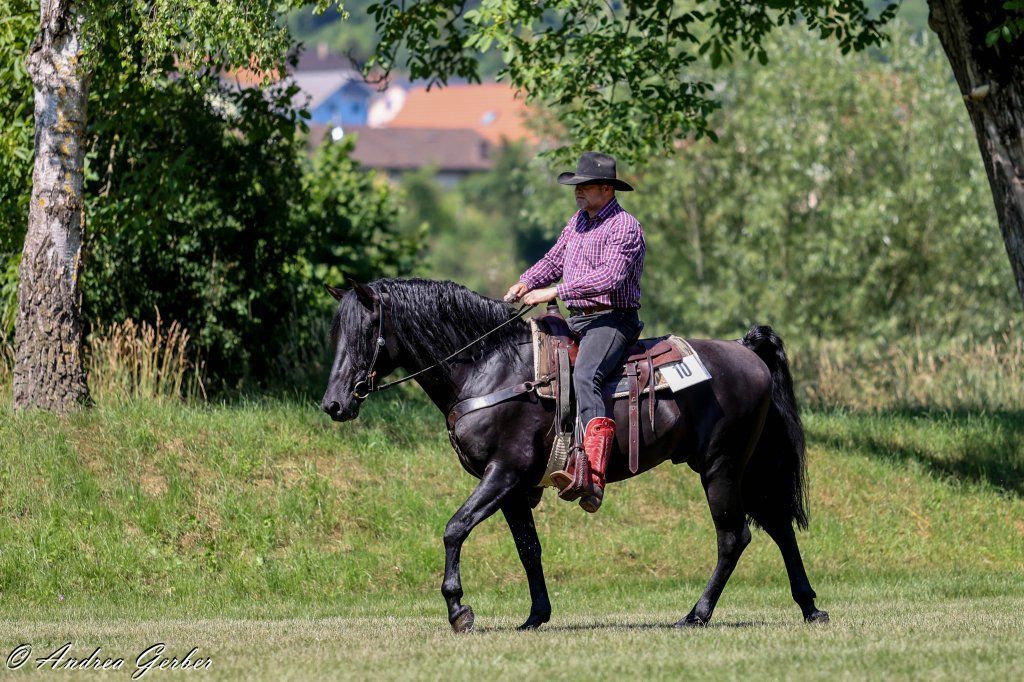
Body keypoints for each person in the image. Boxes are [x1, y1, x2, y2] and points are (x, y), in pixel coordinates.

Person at [504, 151, 645, 513]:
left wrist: (554, 292)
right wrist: (525, 282)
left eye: (583, 187)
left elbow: (609, 278)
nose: (577, 192)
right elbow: (554, 260)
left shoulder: (625, 227)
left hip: (613, 319)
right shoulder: (579, 221)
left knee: (586, 375)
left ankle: (594, 474)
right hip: (580, 318)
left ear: (605, 189)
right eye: (576, 187)